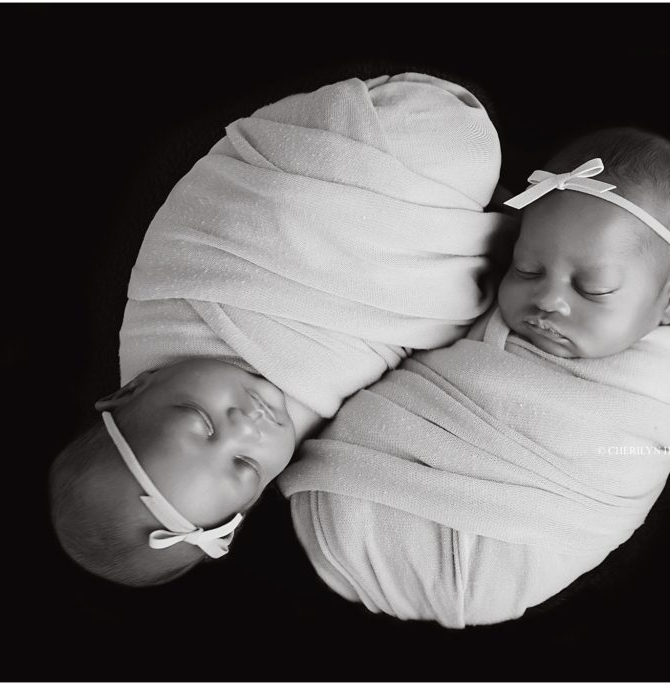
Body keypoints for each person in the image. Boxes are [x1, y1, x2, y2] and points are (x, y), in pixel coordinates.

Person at [49, 72, 512, 587]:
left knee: (429, 140)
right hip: (381, 254)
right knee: (457, 165)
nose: (248, 425)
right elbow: (389, 357)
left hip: (312, 182)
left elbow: (214, 225)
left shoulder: (169, 311)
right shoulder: (306, 448)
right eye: (245, 464)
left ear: (133, 389)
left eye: (201, 422)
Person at [279, 127, 670, 627]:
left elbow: (623, 467)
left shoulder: (647, 389)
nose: (549, 299)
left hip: (489, 566)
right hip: (343, 513)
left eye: (594, 288)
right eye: (526, 269)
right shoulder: (482, 302)